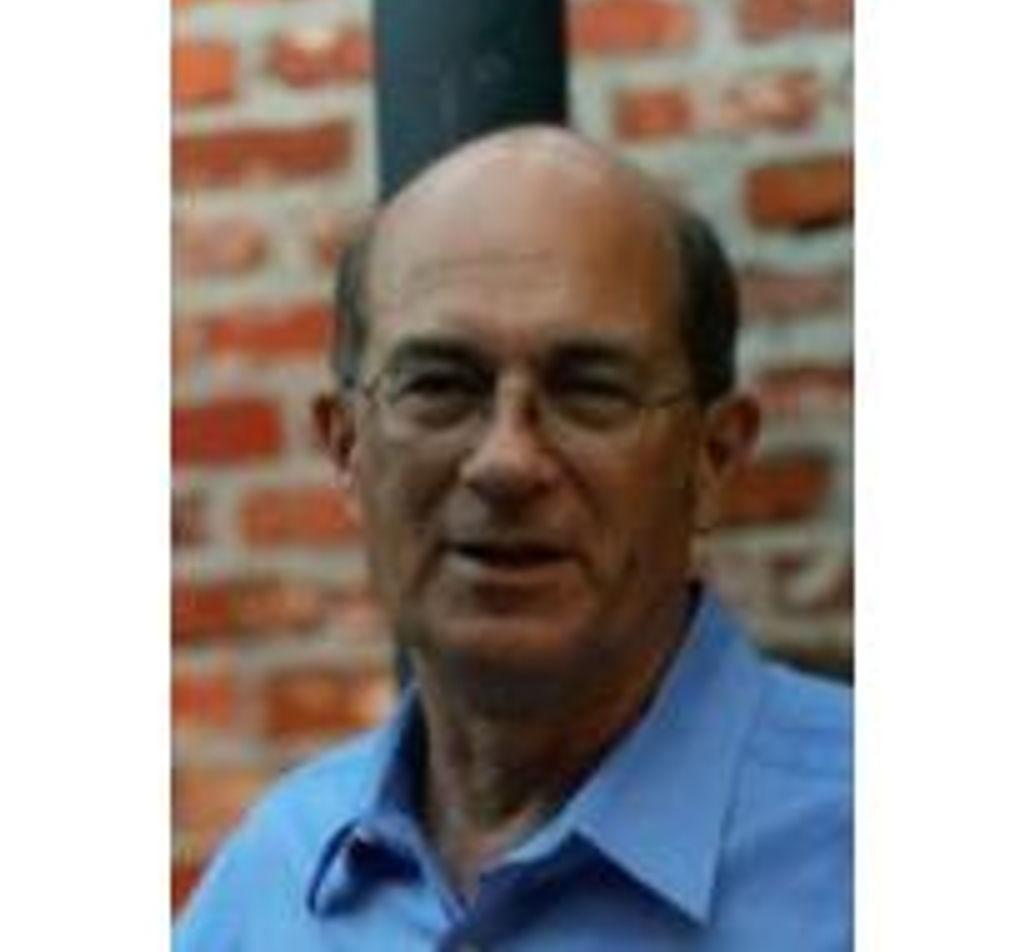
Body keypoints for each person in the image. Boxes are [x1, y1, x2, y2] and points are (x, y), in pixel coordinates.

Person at [175, 126, 852, 950]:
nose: (507, 461)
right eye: (440, 385)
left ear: (712, 459)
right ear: (347, 448)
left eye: (590, 390)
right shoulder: (273, 885)